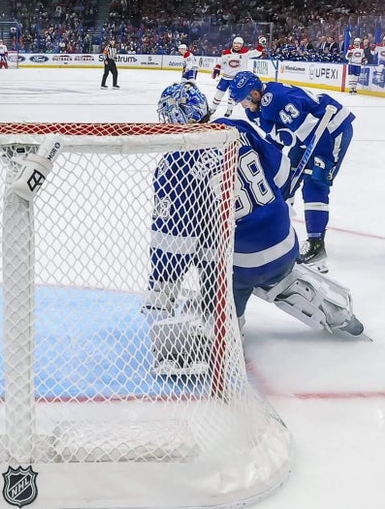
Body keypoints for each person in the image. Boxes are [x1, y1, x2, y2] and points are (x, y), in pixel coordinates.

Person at [145, 82, 361, 376]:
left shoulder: (174, 165)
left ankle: (221, 329)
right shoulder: (237, 128)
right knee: (273, 263)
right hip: (286, 242)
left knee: (215, 263)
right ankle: (326, 305)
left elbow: (173, 242)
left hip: (241, 266)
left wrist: (162, 289)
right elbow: (284, 173)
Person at [227, 70, 354, 272]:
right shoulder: (255, 109)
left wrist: (323, 159)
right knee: (283, 183)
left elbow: (313, 131)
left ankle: (316, 246)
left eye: (244, 99)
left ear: (255, 93)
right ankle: (280, 235)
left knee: (315, 183)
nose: (243, 105)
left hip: (331, 130)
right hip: (308, 135)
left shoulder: (276, 100)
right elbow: (280, 137)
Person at [211, 36, 249, 116]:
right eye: (235, 43)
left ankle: (229, 109)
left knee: (231, 95)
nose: (236, 45)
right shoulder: (226, 52)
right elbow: (220, 61)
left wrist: (261, 46)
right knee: (219, 93)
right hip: (225, 77)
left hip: (236, 79)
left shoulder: (245, 53)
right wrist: (217, 68)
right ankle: (213, 108)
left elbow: (257, 52)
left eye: (238, 44)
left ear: (241, 45)